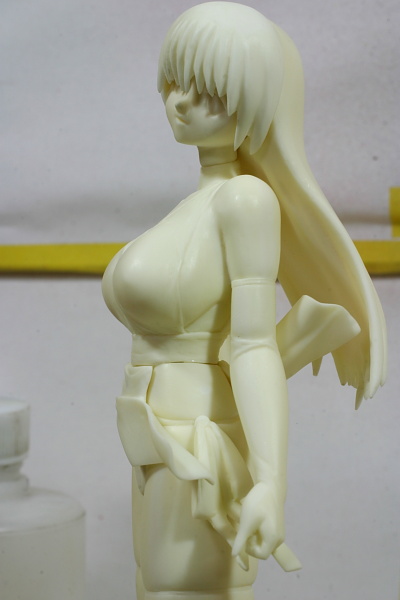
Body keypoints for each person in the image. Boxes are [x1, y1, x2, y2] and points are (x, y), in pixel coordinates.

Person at [102, 4, 387, 599]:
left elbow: (254, 347)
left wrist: (269, 483)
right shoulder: (197, 206)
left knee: (185, 589)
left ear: (254, 101)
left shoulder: (246, 201)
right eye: (175, 82)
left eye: (208, 90)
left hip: (196, 444)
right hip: (154, 440)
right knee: (156, 586)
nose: (181, 102)